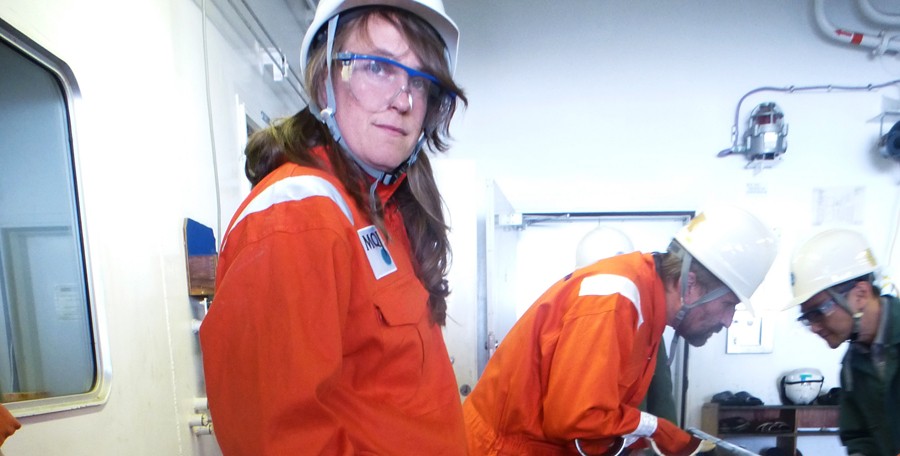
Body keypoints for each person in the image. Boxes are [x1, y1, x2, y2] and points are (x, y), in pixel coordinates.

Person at [198, 0, 468, 454]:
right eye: (378, 68)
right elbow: (281, 441)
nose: (402, 100)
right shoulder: (297, 218)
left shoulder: (381, 211)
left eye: (420, 81)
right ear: (325, 80)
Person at [463, 205, 778, 456]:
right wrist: (656, 429)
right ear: (692, 285)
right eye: (728, 305)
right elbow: (576, 417)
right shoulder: (615, 300)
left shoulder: (647, 307)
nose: (727, 321)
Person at [785, 228, 899, 456]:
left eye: (819, 312)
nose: (815, 327)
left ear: (860, 294)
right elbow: (859, 437)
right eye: (807, 318)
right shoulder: (852, 367)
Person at [575, 225, 678, 426]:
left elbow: (662, 397)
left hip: (629, 441)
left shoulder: (647, 327)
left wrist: (667, 441)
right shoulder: (570, 322)